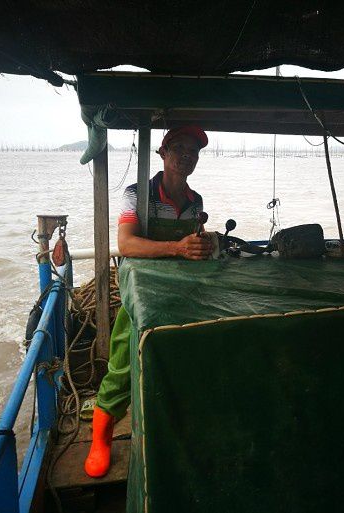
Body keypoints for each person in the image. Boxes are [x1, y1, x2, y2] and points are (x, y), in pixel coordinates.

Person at [84, 126, 213, 478]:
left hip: (179, 290)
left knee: (177, 356)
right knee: (123, 362)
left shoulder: (195, 201)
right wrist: (177, 248)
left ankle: (168, 423)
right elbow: (126, 244)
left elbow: (192, 244)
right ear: (163, 153)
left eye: (194, 151)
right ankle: (101, 440)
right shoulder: (138, 194)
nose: (187, 155)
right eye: (179, 148)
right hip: (140, 290)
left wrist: (203, 244)